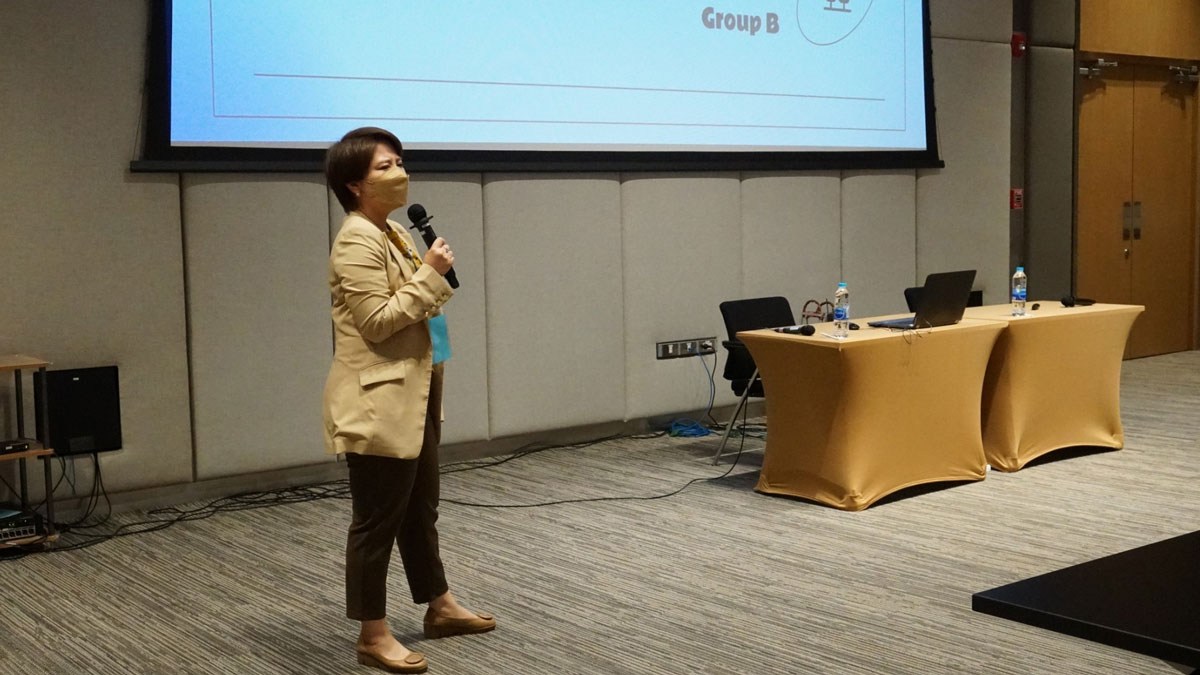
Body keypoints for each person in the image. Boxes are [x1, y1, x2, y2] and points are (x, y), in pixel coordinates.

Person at [323, 127, 494, 674]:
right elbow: (377, 322)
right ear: (354, 185)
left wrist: (427, 278)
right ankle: (372, 635)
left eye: (400, 162)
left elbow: (416, 307)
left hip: (415, 392)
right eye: (385, 166)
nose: (400, 173)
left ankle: (438, 605)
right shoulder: (356, 239)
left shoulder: (393, 230)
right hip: (378, 402)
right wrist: (430, 274)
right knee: (376, 521)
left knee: (420, 509)